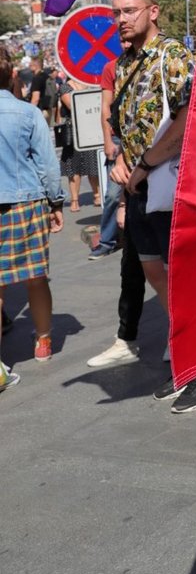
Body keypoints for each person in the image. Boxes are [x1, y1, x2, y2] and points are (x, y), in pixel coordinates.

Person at [87, 0, 196, 414]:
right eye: (116, 13)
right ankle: (189, 359)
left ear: (152, 12)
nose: (121, 20)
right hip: (140, 187)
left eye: (129, 11)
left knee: (184, 276)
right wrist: (120, 165)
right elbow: (121, 123)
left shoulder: (173, 56)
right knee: (153, 271)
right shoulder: (124, 64)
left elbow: (191, 114)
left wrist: (146, 161)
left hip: (173, 184)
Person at [0, 47, 65, 380]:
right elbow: (47, 165)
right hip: (25, 204)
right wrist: (56, 203)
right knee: (36, 277)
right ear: (13, 76)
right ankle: (43, 341)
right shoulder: (27, 114)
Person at [88, 55, 123, 259]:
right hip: (117, 139)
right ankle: (107, 240)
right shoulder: (112, 68)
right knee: (112, 194)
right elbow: (105, 106)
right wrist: (107, 139)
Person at [58, 79, 101, 213]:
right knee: (73, 167)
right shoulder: (65, 87)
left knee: (92, 163)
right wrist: (84, 94)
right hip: (73, 131)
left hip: (90, 128)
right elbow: (73, 106)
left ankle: (97, 195)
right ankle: (74, 200)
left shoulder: (93, 83)